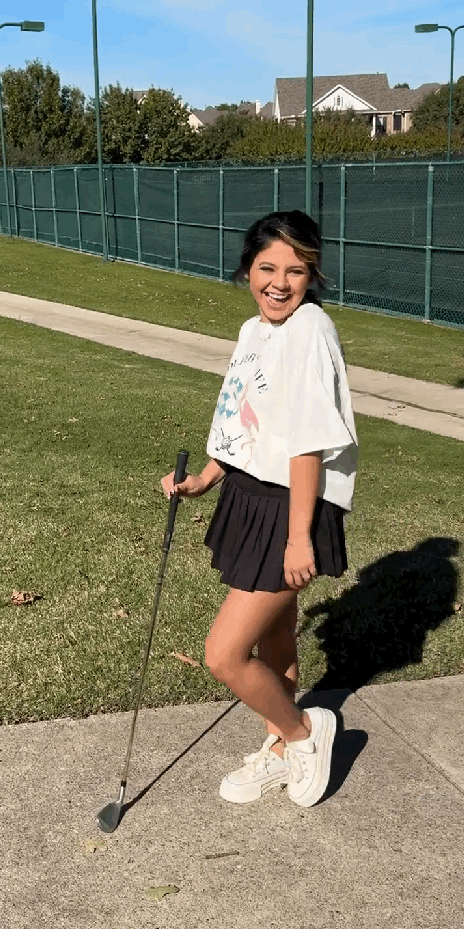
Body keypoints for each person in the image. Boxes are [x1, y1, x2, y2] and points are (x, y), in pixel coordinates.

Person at [161, 210, 358, 808]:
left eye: (296, 270)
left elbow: (306, 440)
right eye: (267, 267)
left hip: (290, 508)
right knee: (277, 643)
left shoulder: (309, 329)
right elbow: (242, 421)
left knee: (223, 654)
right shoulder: (255, 332)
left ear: (312, 274)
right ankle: (278, 745)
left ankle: (304, 733)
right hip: (250, 496)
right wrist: (203, 480)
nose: (279, 282)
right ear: (248, 267)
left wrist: (300, 537)